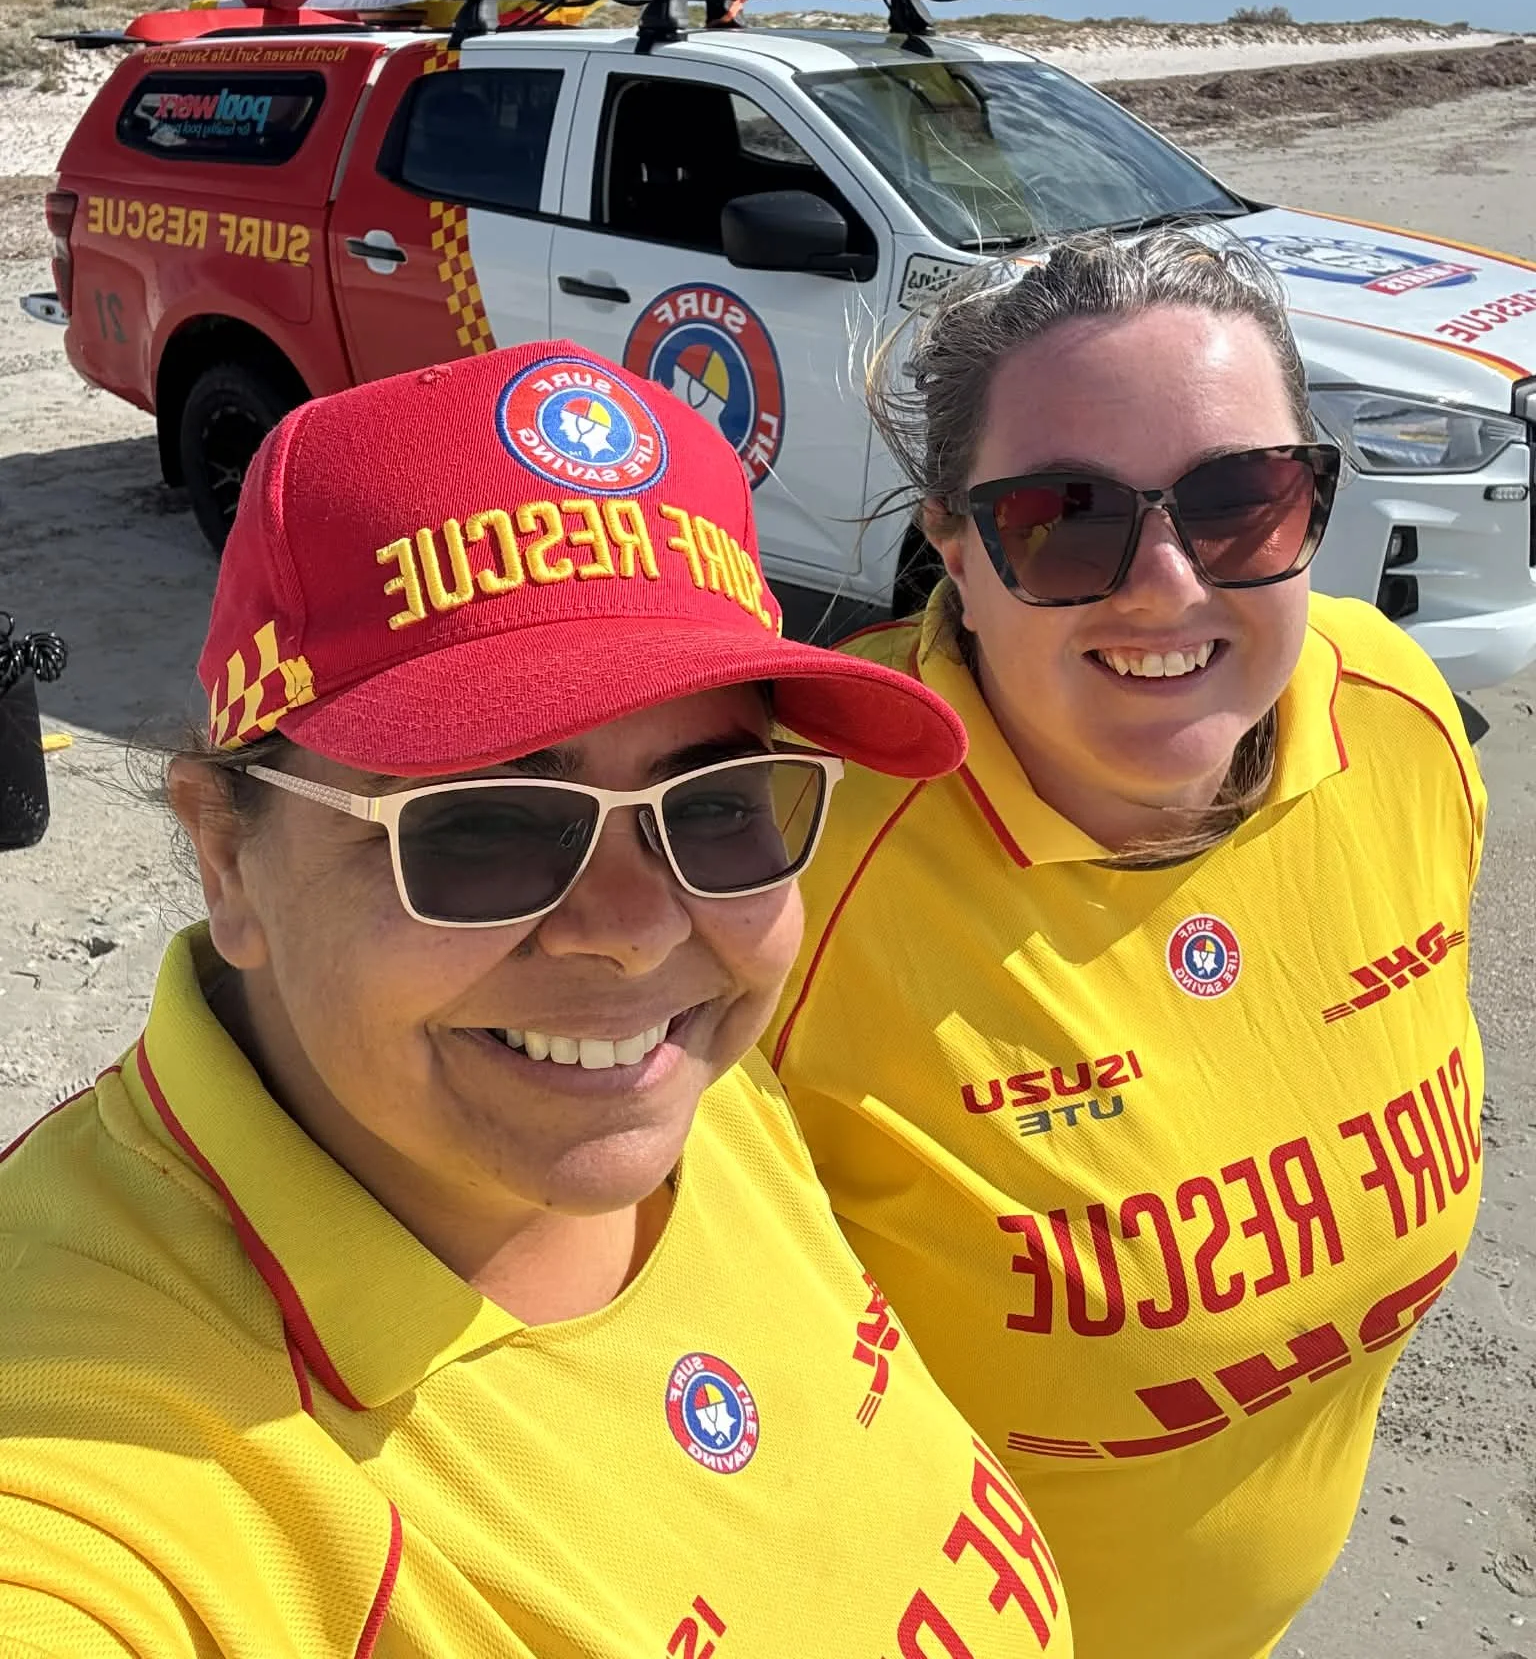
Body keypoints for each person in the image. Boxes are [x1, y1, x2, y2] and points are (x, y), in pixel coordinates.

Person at [0, 341, 1074, 1659]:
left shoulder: (679, 1088)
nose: (636, 933)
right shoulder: (92, 1443)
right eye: (486, 826)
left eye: (718, 807)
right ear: (230, 859)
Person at [767, 233, 1485, 1659]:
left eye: (1241, 503)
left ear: (1316, 508)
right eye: (1062, 518)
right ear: (953, 547)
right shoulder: (778, 872)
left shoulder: (1395, 716)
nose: (1164, 584)